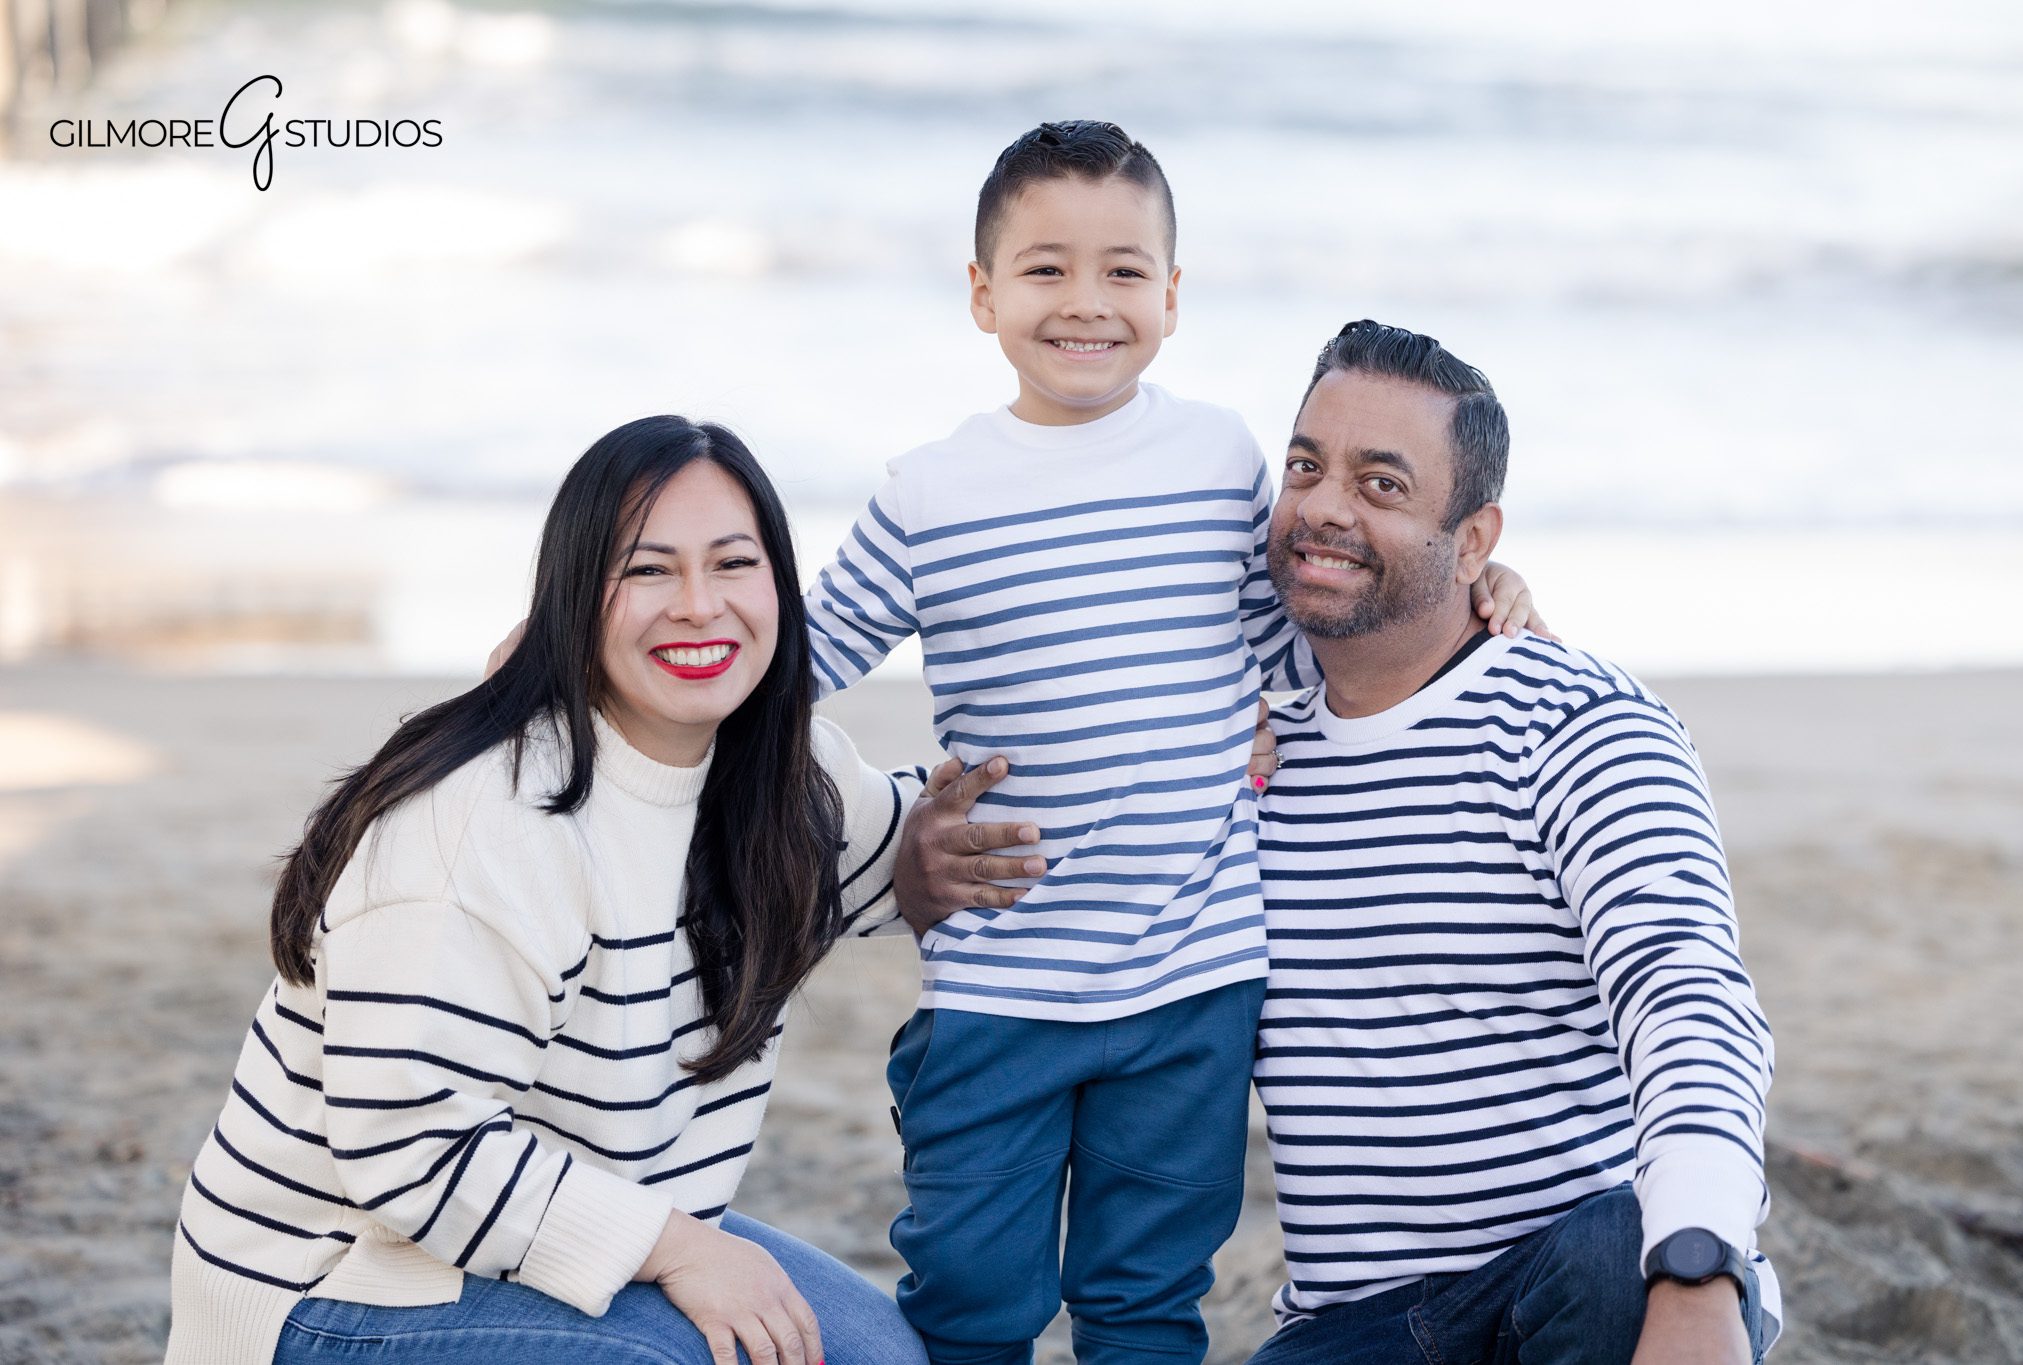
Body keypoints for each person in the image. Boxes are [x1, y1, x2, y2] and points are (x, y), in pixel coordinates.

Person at [801, 121, 1541, 1365]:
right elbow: (788, 666)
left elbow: (1300, 639)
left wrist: (1481, 583)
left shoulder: (1216, 459)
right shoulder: (928, 494)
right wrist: (580, 660)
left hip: (1193, 981)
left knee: (1144, 1300)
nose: (1085, 301)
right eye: (1044, 268)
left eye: (1123, 270)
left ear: (1172, 296)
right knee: (970, 1295)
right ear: (981, 293)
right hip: (997, 983)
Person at [165, 416, 1037, 1365]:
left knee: (882, 1359)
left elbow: (906, 845)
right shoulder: (485, 818)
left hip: (575, 1226)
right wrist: (684, 1249)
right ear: (576, 595)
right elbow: (408, 1147)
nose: (699, 606)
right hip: (333, 1283)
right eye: (648, 570)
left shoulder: (782, 774)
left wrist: (940, 852)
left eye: (733, 564)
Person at [1245, 321, 1780, 1363]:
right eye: (1305, 466)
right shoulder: (1242, 739)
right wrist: (923, 852)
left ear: (1474, 540)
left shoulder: (1579, 725)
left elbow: (1688, 995)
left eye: (1381, 484)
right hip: (1348, 1330)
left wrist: (1699, 1267)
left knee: (1620, 1247)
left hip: (1569, 1287)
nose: (1323, 507)